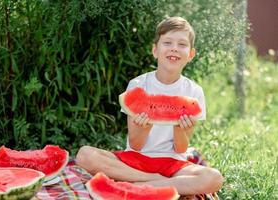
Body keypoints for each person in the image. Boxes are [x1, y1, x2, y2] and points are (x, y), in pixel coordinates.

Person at [76, 16, 223, 196]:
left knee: (214, 178)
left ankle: (133, 185)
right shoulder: (138, 85)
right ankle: (154, 182)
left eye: (182, 44)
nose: (174, 48)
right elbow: (136, 145)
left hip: (173, 163)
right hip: (135, 160)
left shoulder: (194, 91)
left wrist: (180, 129)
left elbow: (181, 149)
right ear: (155, 50)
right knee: (85, 155)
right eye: (167, 42)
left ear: (191, 54)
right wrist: (143, 129)